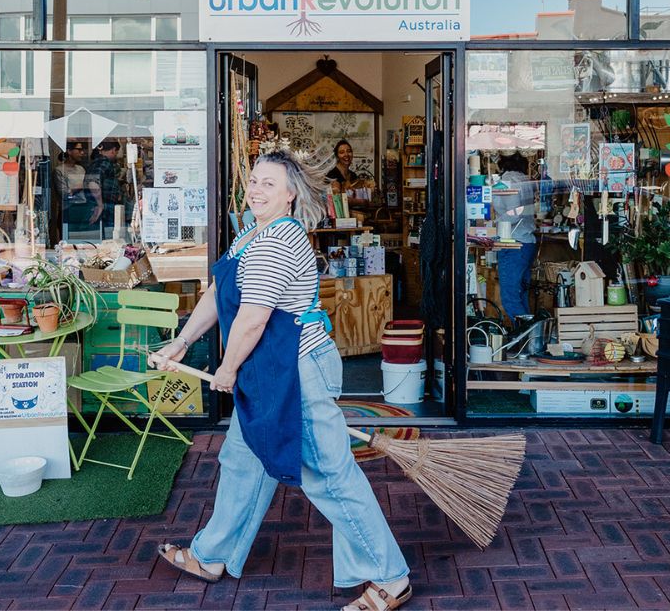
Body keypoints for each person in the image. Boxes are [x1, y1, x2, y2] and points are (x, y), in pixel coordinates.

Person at [151, 148, 412, 611]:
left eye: (269, 183)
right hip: (268, 370)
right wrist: (183, 341)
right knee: (242, 461)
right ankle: (213, 555)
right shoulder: (252, 235)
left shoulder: (279, 242)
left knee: (327, 474)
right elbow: (219, 292)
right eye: (253, 180)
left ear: (291, 195)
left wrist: (226, 370)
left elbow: (252, 318)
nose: (256, 189)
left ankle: (390, 577)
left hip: (297, 373)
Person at [491, 153, 539, 322]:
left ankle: (526, 335)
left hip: (512, 242)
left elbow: (514, 214)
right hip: (527, 242)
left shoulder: (506, 181)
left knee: (510, 297)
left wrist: (493, 224)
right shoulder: (526, 181)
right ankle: (530, 338)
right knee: (521, 294)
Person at [84, 139, 125, 230]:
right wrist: (100, 205)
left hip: (98, 208)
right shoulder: (104, 162)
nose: (116, 155)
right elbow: (93, 183)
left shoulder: (95, 163)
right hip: (104, 210)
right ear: (113, 150)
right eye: (116, 152)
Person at [55, 141, 90, 228]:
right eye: (78, 150)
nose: (82, 153)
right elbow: (64, 193)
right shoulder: (59, 170)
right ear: (69, 151)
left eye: (82, 150)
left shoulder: (81, 169)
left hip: (83, 209)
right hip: (68, 210)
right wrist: (82, 186)